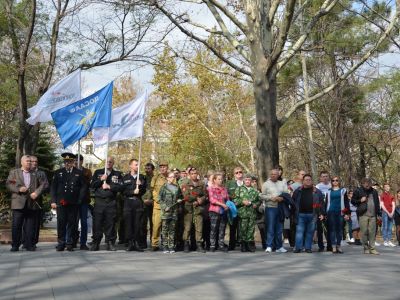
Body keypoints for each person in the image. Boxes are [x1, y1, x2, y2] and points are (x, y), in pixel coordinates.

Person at [6, 155, 46, 251]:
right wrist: (19, 189)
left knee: (30, 226)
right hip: (18, 203)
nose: (29, 163)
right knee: (16, 225)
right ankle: (15, 245)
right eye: (27, 161)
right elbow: (9, 184)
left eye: (30, 161)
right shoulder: (14, 173)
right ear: (22, 162)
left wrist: (36, 193)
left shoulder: (35, 173)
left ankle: (29, 244)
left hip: (31, 203)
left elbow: (43, 184)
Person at [50, 153, 86, 251]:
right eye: (66, 162)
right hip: (61, 202)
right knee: (61, 223)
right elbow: (53, 188)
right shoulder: (58, 172)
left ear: (73, 162)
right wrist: (53, 201)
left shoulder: (78, 173)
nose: (67, 163)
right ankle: (61, 243)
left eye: (69, 161)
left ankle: (69, 243)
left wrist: (79, 200)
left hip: (73, 202)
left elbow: (83, 188)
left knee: (72, 223)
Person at [90, 157, 123, 251]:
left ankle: (110, 242)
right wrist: (101, 179)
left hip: (111, 201)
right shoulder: (98, 172)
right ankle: (96, 242)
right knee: (97, 223)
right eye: (107, 162)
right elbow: (92, 185)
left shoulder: (117, 174)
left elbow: (121, 187)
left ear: (113, 163)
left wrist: (110, 186)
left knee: (110, 223)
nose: (108, 163)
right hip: (99, 201)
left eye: (110, 162)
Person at [292, 174, 325, 253]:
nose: (308, 181)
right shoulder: (298, 191)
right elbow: (293, 202)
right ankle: (298, 248)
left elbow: (321, 203)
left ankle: (308, 248)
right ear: (303, 181)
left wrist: (321, 213)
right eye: (306, 180)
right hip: (300, 215)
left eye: (309, 180)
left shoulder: (317, 191)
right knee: (299, 232)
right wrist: (293, 213)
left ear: (312, 181)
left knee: (310, 232)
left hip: (312, 215)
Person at [260, 169, 289, 253]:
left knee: (279, 228)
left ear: (278, 175)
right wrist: (271, 198)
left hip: (280, 208)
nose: (273, 175)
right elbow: (262, 196)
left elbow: (286, 194)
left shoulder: (282, 183)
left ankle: (279, 246)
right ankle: (269, 246)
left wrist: (282, 198)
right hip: (270, 208)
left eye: (275, 174)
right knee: (270, 227)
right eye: (271, 174)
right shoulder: (266, 184)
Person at [180, 167, 207, 253]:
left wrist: (201, 200)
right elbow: (185, 196)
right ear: (189, 175)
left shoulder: (201, 183)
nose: (194, 175)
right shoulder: (185, 183)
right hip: (188, 208)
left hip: (198, 209)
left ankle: (199, 244)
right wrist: (196, 199)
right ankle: (186, 244)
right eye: (192, 174)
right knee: (187, 227)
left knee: (199, 227)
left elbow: (205, 195)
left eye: (195, 173)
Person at [122, 159, 146, 252]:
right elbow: (123, 191)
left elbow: (144, 190)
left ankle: (137, 242)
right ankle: (130, 243)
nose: (137, 166)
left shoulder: (142, 177)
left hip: (138, 202)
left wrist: (140, 186)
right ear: (130, 166)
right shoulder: (125, 177)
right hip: (128, 202)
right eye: (136, 165)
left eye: (138, 165)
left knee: (137, 224)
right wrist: (132, 191)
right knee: (128, 224)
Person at [352, 178, 381, 255]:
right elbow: (353, 201)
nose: (367, 184)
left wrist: (379, 214)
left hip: (373, 215)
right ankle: (365, 247)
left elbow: (377, 203)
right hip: (363, 214)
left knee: (372, 232)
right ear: (362, 184)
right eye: (365, 183)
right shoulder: (358, 191)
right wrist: (360, 200)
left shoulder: (374, 191)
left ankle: (372, 248)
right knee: (364, 232)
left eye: (368, 183)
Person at [233, 174, 260, 252]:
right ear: (244, 181)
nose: (248, 181)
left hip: (252, 212)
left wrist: (256, 204)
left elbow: (258, 201)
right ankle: (243, 244)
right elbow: (235, 200)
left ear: (251, 181)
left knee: (251, 229)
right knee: (243, 229)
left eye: (249, 180)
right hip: (243, 212)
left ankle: (249, 244)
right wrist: (242, 202)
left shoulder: (254, 190)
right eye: (246, 180)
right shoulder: (239, 189)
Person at [158, 171, 183, 253]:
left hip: (174, 212)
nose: (173, 178)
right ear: (168, 178)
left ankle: (171, 246)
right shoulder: (163, 188)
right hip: (165, 212)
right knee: (165, 230)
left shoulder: (176, 187)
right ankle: (165, 246)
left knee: (172, 230)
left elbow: (180, 197)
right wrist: (164, 207)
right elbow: (160, 199)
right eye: (171, 177)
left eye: (174, 177)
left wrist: (179, 200)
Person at [325, 176, 350, 253]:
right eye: (333, 180)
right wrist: (324, 213)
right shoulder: (328, 191)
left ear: (339, 181)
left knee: (339, 230)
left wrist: (347, 213)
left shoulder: (343, 190)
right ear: (331, 182)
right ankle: (333, 246)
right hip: (331, 212)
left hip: (341, 212)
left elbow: (346, 202)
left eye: (336, 180)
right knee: (332, 229)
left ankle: (338, 245)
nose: (335, 182)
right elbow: (326, 203)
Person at [72, 154, 92, 250]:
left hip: (84, 200)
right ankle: (72, 241)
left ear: (82, 161)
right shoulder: (70, 171)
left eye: (79, 160)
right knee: (73, 222)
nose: (76, 162)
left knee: (84, 222)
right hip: (73, 201)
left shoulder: (87, 171)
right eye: (75, 160)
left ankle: (83, 242)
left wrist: (79, 173)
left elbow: (87, 183)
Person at [28, 155, 49, 249]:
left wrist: (37, 193)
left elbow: (46, 185)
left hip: (37, 201)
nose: (35, 163)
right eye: (32, 161)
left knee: (35, 223)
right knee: (26, 222)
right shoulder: (25, 172)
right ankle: (25, 241)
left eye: (36, 161)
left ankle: (33, 242)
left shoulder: (41, 173)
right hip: (25, 201)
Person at [208, 172, 230, 252]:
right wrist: (222, 204)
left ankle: (221, 245)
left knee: (222, 229)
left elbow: (227, 199)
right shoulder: (211, 188)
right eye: (219, 179)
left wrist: (228, 206)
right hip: (214, 211)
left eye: (221, 179)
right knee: (213, 229)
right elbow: (212, 200)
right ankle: (212, 245)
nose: (221, 180)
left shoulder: (224, 189)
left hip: (223, 211)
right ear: (214, 180)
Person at [150, 162, 169, 251]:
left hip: (168, 206)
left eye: (164, 167)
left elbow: (175, 189)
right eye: (161, 167)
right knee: (156, 225)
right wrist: (159, 200)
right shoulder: (155, 178)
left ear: (167, 167)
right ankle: (155, 244)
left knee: (167, 226)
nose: (162, 168)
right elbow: (153, 191)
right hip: (158, 205)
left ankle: (166, 243)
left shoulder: (171, 177)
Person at [226, 167, 243, 250]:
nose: (239, 173)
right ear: (234, 174)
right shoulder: (229, 183)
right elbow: (225, 194)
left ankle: (244, 244)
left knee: (243, 226)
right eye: (237, 172)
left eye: (240, 172)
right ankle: (231, 244)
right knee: (233, 226)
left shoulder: (246, 182)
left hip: (244, 208)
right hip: (233, 207)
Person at [315, 171, 332, 252]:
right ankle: (321, 246)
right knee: (320, 229)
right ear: (320, 178)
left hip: (330, 209)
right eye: (323, 176)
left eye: (326, 176)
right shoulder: (318, 186)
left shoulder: (331, 185)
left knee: (329, 229)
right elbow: (316, 200)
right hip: (320, 209)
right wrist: (319, 212)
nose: (325, 178)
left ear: (328, 177)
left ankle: (330, 245)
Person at [140, 162, 155, 248]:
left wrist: (152, 201)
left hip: (153, 204)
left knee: (154, 224)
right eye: (146, 168)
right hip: (144, 203)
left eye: (148, 168)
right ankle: (143, 242)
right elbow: (140, 190)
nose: (147, 170)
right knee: (143, 223)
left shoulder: (156, 178)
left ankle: (153, 242)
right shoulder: (143, 178)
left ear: (153, 169)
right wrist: (143, 200)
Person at [380, 183, 396, 247]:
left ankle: (389, 240)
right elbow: (382, 205)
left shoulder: (391, 195)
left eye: (388, 186)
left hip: (391, 213)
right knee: (385, 226)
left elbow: (393, 204)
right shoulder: (382, 195)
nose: (387, 188)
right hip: (385, 212)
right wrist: (388, 212)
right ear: (384, 188)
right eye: (386, 187)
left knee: (390, 227)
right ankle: (385, 240)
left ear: (389, 187)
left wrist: (392, 212)